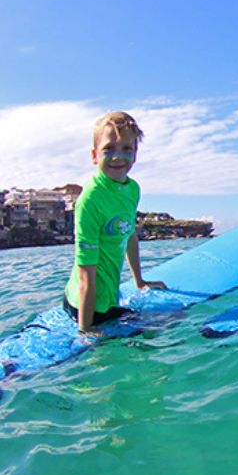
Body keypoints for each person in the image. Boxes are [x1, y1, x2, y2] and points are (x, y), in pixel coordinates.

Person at [64, 111, 166, 332]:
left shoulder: (131, 189)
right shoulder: (90, 200)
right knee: (163, 331)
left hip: (108, 296)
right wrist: (86, 331)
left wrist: (139, 281)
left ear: (135, 153)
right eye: (108, 149)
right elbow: (85, 273)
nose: (118, 157)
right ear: (94, 155)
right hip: (90, 307)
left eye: (126, 149)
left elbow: (129, 234)